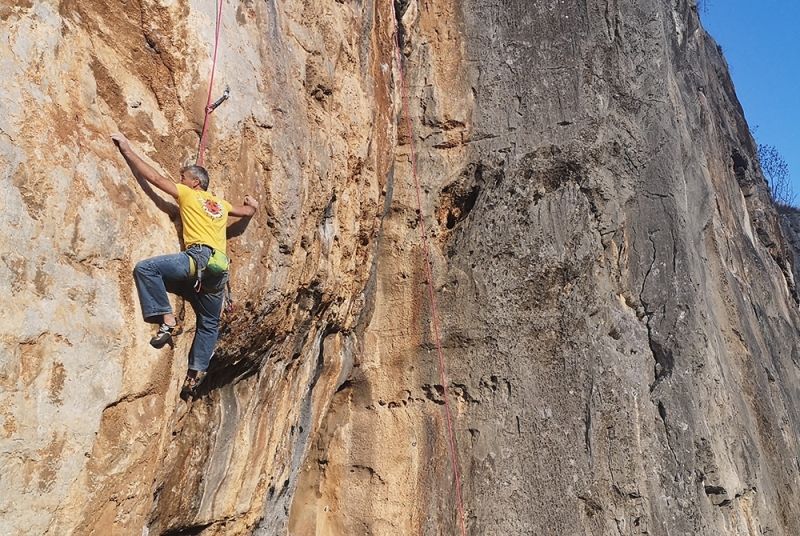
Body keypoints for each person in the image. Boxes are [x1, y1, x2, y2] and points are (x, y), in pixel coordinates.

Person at [111, 133, 259, 396]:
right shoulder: (221, 205)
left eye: (184, 178)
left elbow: (155, 180)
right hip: (218, 271)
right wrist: (253, 205)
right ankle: (194, 375)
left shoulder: (189, 195)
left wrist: (127, 149)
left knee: (147, 268)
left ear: (196, 182)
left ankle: (168, 319)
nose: (180, 181)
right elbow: (246, 212)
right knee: (209, 324)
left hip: (196, 261)